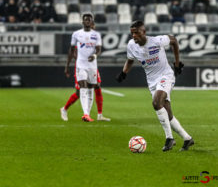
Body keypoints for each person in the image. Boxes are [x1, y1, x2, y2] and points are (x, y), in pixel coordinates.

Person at [116, 20, 194, 152]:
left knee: (156, 103)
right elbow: (130, 60)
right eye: (132, 33)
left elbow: (174, 41)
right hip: (152, 81)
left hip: (166, 76)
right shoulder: (131, 45)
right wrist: (123, 73)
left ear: (144, 32)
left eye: (136, 33)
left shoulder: (157, 41)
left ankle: (169, 138)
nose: (134, 35)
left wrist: (177, 63)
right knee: (167, 114)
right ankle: (187, 138)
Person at [60, 22, 111, 122]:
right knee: (79, 93)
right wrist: (69, 65)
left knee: (97, 86)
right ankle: (64, 109)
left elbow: (98, 50)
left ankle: (99, 115)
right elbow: (73, 53)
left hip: (92, 67)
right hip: (81, 67)